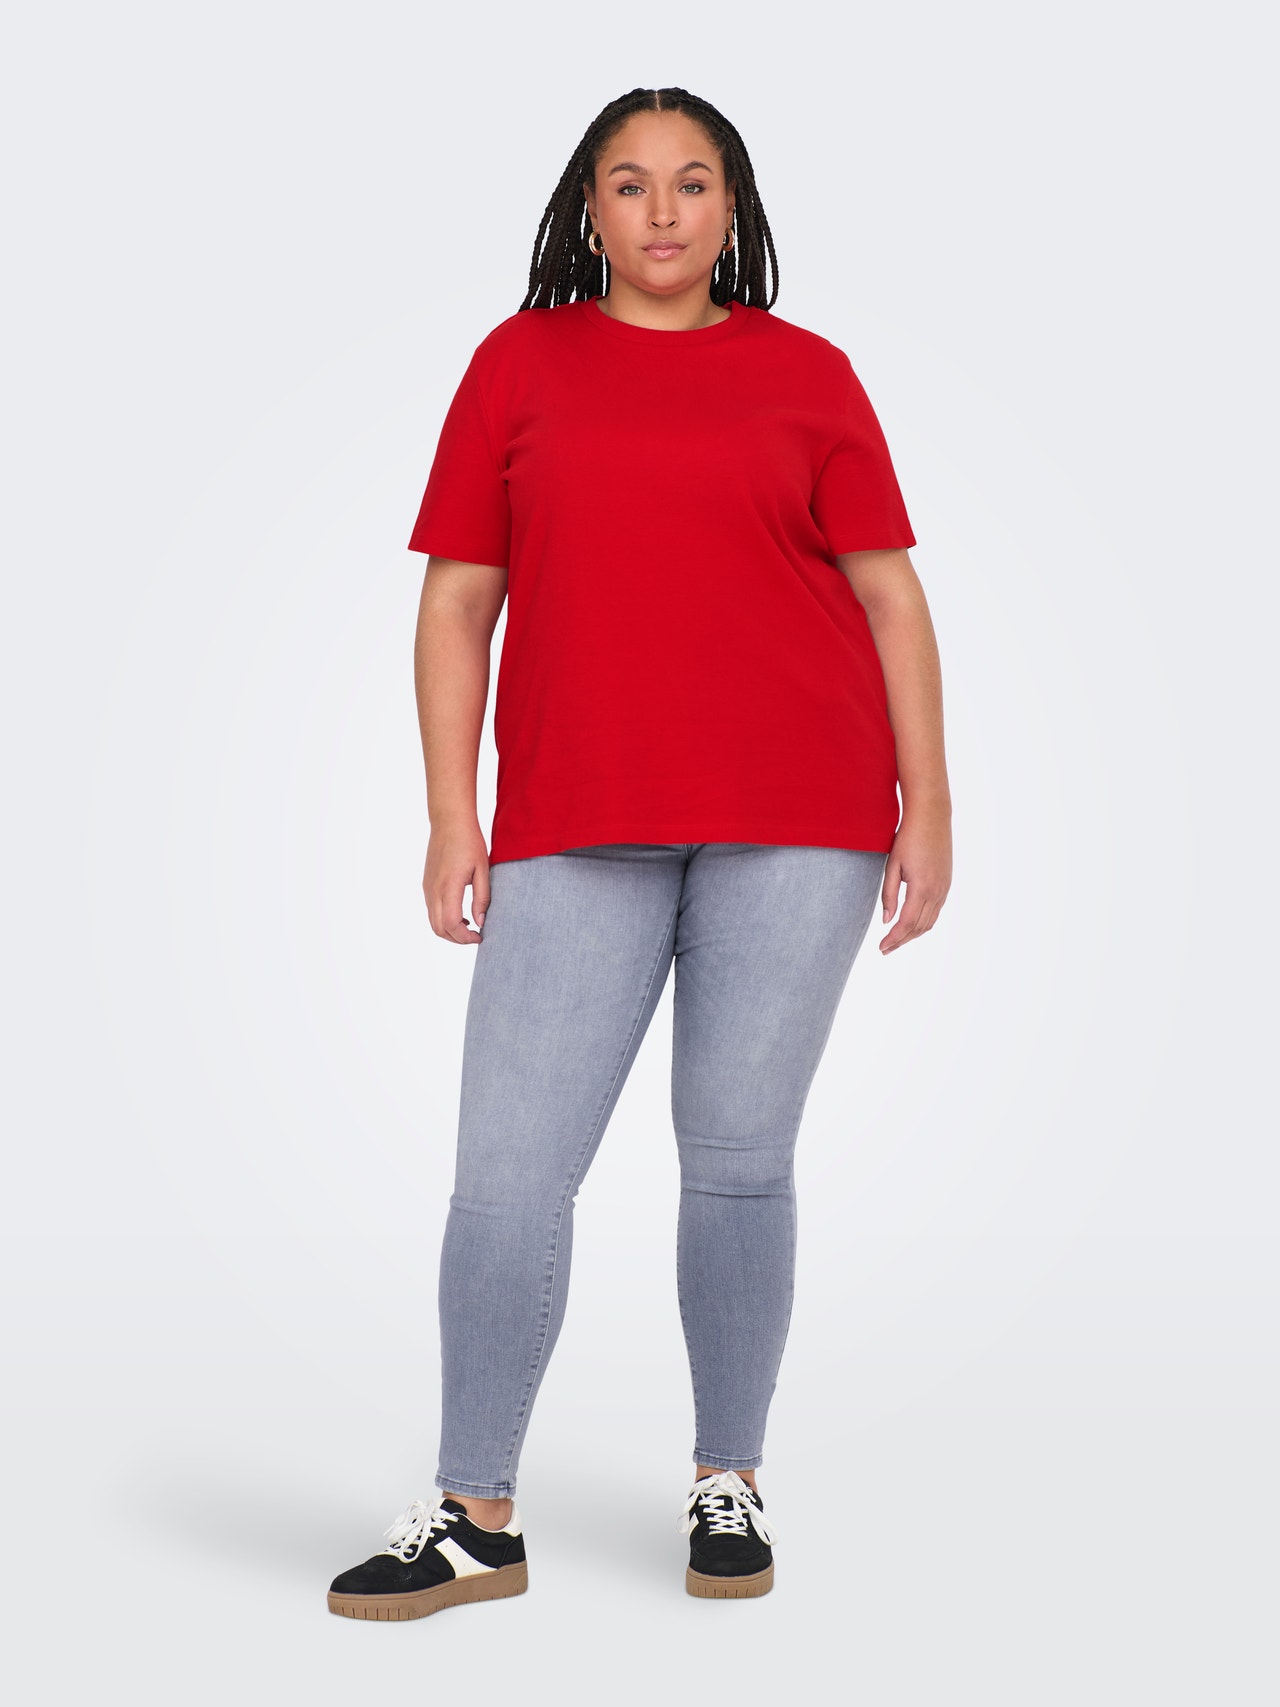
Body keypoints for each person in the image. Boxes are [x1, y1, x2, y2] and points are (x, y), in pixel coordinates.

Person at [327, 85, 951, 1621]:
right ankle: (476, 1513)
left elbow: (888, 595)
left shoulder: (811, 375)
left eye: (692, 181)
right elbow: (458, 601)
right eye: (629, 183)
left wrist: (930, 802)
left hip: (800, 813)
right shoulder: (519, 363)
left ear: (733, 207)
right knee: (508, 1175)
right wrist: (453, 811)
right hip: (575, 813)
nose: (662, 211)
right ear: (587, 209)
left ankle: (728, 1480)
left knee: (738, 1165)